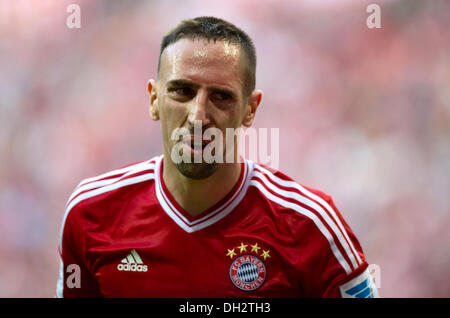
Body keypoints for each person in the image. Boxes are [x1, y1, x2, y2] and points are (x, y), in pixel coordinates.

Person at [56, 16, 379, 298]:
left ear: (250, 109)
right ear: (154, 99)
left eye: (221, 96)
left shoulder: (309, 225)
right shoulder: (91, 212)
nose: (198, 116)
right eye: (182, 91)